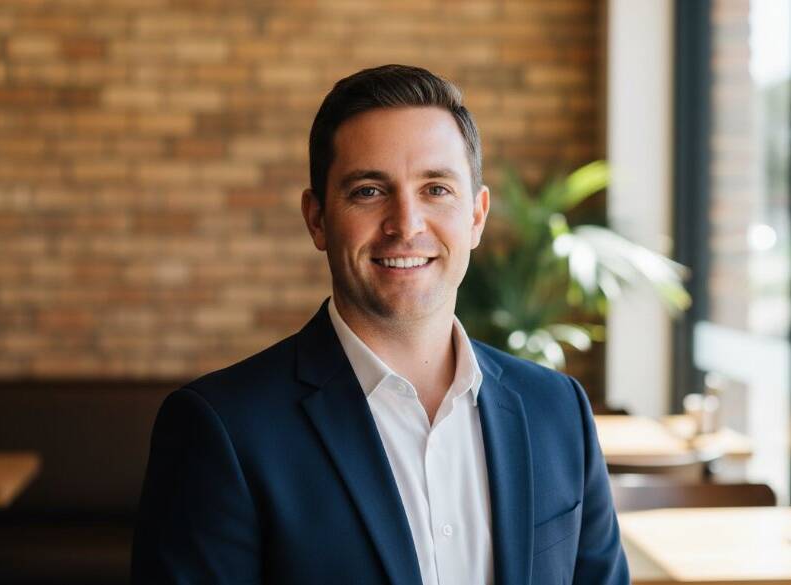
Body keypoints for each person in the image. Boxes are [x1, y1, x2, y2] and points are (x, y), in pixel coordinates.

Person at [131, 64, 629, 585]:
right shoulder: (222, 429)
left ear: (477, 217)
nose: (406, 225)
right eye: (369, 191)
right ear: (318, 219)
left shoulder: (558, 410)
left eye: (436, 189)